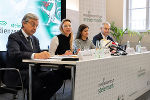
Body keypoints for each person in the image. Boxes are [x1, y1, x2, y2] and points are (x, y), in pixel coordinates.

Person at [4, 13, 63, 100]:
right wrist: (36, 55)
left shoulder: (35, 39)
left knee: (57, 79)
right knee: (36, 82)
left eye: (37, 26)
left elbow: (38, 54)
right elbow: (14, 54)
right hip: (19, 72)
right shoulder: (14, 37)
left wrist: (45, 55)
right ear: (24, 23)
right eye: (32, 24)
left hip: (34, 71)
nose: (35, 28)